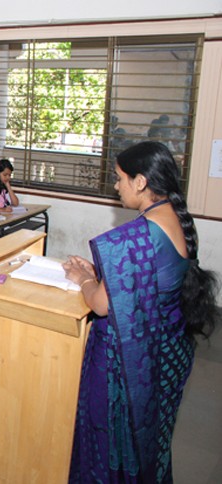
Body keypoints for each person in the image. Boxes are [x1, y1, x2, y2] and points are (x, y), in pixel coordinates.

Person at [63, 142, 220, 482]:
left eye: (119, 178)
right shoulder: (172, 215)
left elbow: (102, 305)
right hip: (164, 350)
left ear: (141, 181)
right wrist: (100, 275)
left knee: (109, 439)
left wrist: (85, 279)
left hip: (126, 361)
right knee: (144, 442)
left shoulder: (139, 234)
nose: (115, 186)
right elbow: (147, 279)